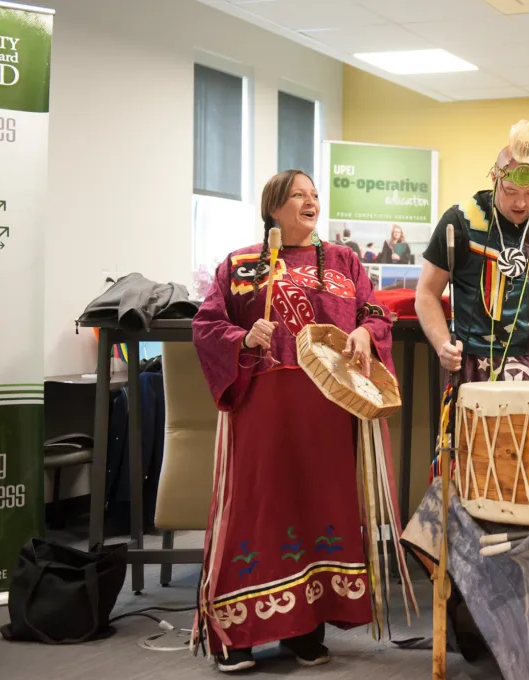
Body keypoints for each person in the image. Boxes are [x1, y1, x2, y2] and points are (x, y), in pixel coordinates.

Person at [190, 169, 410, 673]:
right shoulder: (242, 265)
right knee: (256, 511)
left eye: (315, 195)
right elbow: (207, 325)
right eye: (299, 195)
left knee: (319, 510)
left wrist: (363, 333)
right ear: (274, 206)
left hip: (328, 409)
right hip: (263, 409)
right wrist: (244, 339)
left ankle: (305, 629)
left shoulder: (344, 261)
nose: (311, 202)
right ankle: (236, 635)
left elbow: (377, 314)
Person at [415, 120, 529, 382]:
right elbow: (427, 292)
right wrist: (443, 345)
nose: (521, 202)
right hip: (475, 362)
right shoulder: (460, 221)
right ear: (495, 178)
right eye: (510, 192)